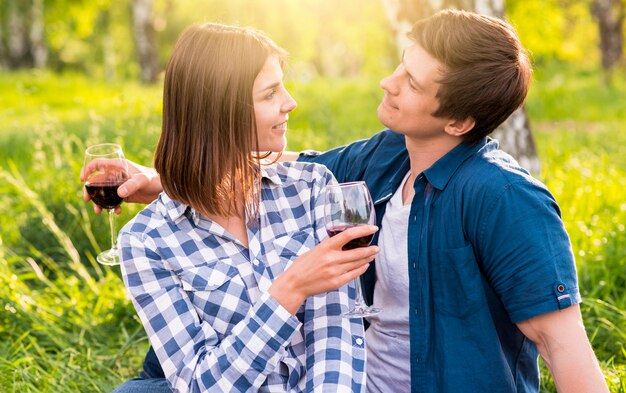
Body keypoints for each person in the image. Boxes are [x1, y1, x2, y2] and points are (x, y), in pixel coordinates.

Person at [83, 10, 610, 393]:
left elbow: (562, 342)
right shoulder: (384, 158)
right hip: (340, 372)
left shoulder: (505, 198)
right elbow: (274, 165)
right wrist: (163, 180)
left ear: (457, 122)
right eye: (401, 64)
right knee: (151, 381)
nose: (388, 81)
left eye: (411, 81)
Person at [85, 22, 379, 393]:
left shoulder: (312, 188)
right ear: (220, 110)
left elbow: (335, 342)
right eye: (270, 93)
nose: (291, 102)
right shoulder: (147, 242)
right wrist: (289, 290)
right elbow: (197, 383)